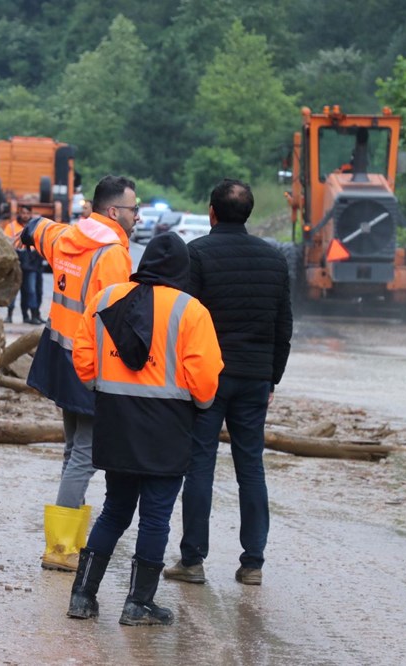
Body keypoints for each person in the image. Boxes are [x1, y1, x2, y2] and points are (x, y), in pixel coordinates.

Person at [67, 232, 222, 625]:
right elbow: (204, 381)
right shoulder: (192, 311)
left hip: (116, 420)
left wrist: (101, 387)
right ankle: (138, 605)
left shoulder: (104, 300)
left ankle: (82, 597)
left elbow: (83, 359)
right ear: (182, 269)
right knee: (155, 517)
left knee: (115, 510)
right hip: (167, 428)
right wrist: (199, 404)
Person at [163, 178, 293, 587]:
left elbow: (184, 318)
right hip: (255, 378)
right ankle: (252, 562)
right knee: (250, 467)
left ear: (211, 212)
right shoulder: (274, 259)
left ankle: (192, 560)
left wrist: (181, 373)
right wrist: (272, 377)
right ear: (248, 213)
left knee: (199, 464)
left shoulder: (197, 254)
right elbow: (284, 326)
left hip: (208, 378)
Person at [20, 175, 137, 571]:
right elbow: (118, 318)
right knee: (85, 454)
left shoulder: (69, 237)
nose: (137, 216)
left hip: (60, 355)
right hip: (90, 363)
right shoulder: (113, 255)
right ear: (114, 211)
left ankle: (67, 541)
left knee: (74, 450)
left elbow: (42, 232)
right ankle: (62, 548)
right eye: (133, 209)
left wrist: (28, 228)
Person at [3, 206, 45, 324]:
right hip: (16, 261)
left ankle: (32, 315)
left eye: (27, 213)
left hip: (31, 263)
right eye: (23, 213)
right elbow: (6, 242)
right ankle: (9, 315)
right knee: (14, 290)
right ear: (19, 213)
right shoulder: (11, 226)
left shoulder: (35, 227)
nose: (25, 215)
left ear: (30, 214)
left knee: (31, 290)